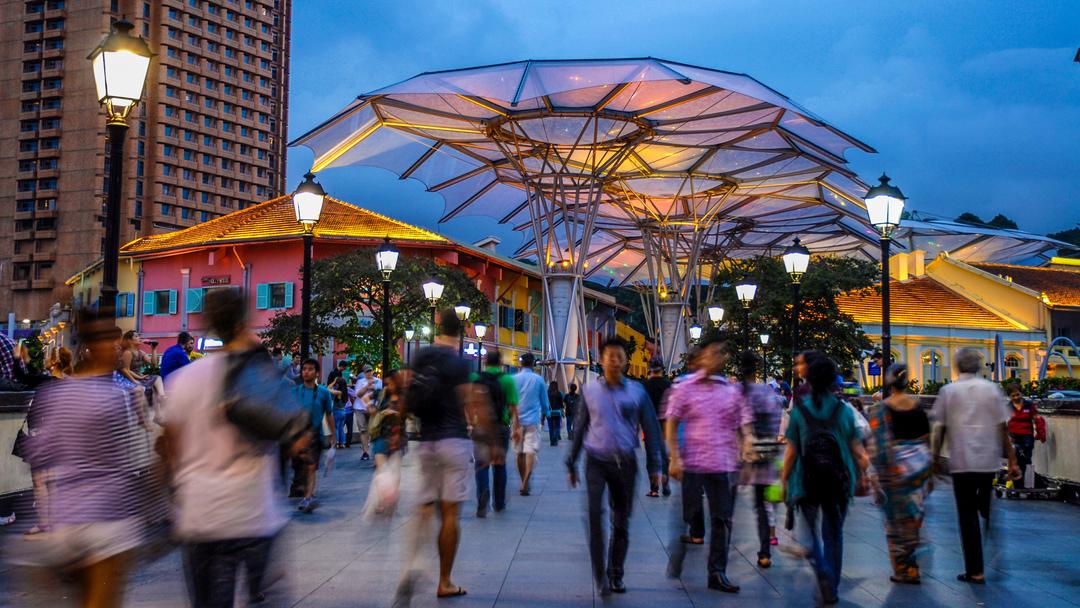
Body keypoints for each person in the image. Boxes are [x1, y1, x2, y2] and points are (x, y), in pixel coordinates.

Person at [162, 288, 309, 606]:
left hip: (201, 515)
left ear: (207, 325)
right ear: (245, 320)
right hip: (255, 513)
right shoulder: (258, 374)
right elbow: (294, 432)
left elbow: (168, 447)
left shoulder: (183, 381)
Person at [14, 312, 166, 608]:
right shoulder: (116, 396)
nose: (118, 351)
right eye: (114, 344)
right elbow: (126, 459)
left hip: (67, 517)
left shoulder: (53, 394)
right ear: (102, 347)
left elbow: (39, 454)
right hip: (109, 519)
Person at [566, 337, 662, 595]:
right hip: (595, 462)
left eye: (619, 356)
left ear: (625, 361)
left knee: (621, 521)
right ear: (601, 360)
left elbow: (651, 429)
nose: (615, 361)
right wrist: (571, 462)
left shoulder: (637, 392)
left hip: (625, 463)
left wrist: (655, 466)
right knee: (595, 518)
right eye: (610, 356)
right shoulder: (590, 391)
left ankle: (615, 572)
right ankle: (600, 575)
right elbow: (580, 427)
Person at [397, 309, 480, 600]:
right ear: (461, 331)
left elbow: (405, 393)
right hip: (454, 441)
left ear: (437, 328)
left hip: (426, 442)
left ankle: (412, 563)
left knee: (423, 506)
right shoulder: (460, 363)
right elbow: (468, 401)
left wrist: (397, 430)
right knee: (449, 514)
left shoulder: (422, 356)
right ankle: (444, 581)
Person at [665, 339, 752, 593]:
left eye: (721, 354)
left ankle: (717, 571)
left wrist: (746, 449)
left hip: (723, 464)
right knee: (690, 513)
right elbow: (672, 421)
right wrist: (674, 457)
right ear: (702, 357)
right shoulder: (685, 387)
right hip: (693, 461)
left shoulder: (731, 391)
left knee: (722, 519)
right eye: (713, 353)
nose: (717, 357)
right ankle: (679, 549)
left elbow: (742, 423)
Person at [781, 355, 869, 605]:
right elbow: (857, 450)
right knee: (834, 534)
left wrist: (784, 480)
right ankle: (832, 583)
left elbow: (791, 452)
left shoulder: (800, 411)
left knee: (811, 534)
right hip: (838, 480)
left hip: (806, 480)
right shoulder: (844, 411)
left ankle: (822, 569)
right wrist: (864, 475)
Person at [932, 348, 1020, 585]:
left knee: (966, 514)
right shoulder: (992, 389)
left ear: (958, 367)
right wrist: (1012, 460)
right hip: (987, 460)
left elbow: (941, 427)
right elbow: (1002, 427)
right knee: (984, 502)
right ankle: (987, 514)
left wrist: (933, 461)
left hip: (961, 461)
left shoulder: (949, 391)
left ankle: (975, 571)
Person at [865, 363, 932, 585]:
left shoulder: (880, 409)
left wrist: (874, 477)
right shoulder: (918, 406)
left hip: (894, 472)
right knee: (914, 517)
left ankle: (903, 567)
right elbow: (927, 440)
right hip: (919, 470)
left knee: (894, 521)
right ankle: (912, 563)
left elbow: (877, 447)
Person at [737, 350, 785, 569]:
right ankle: (765, 552)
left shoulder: (737, 392)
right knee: (762, 506)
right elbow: (777, 419)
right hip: (764, 453)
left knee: (725, 506)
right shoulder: (768, 393)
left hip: (738, 455)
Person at [472, 349, 519, 517]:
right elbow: (513, 406)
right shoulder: (507, 379)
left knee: (481, 464)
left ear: (485, 361)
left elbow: (469, 403)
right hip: (500, 426)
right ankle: (499, 502)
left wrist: (471, 422)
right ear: (500, 363)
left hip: (481, 426)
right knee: (500, 464)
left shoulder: (475, 378)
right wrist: (517, 428)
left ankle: (482, 496)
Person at [293, 358, 335, 513]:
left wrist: (333, 436)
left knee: (311, 466)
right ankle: (306, 493)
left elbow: (329, 415)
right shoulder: (295, 391)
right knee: (302, 466)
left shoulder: (323, 392)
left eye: (310, 369)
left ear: (317, 373)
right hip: (298, 436)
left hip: (315, 435)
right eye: (304, 369)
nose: (306, 372)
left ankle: (308, 496)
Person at [513, 352, 549, 496]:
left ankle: (523, 481)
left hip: (517, 421)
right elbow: (544, 402)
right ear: (533, 363)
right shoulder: (538, 380)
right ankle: (526, 481)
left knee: (519, 452)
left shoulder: (513, 379)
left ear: (521, 364)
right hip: (533, 420)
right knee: (530, 451)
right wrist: (544, 414)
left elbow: (510, 401)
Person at [642, 360, 673, 497]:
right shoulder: (668, 384)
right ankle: (666, 483)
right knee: (664, 455)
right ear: (662, 369)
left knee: (651, 456)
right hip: (665, 424)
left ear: (650, 369)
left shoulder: (645, 386)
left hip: (649, 424)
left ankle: (654, 488)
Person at [118, 330, 165, 406]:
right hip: (130, 379)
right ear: (129, 341)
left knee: (157, 378)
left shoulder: (141, 352)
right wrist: (139, 377)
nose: (139, 338)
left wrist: (153, 349)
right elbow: (126, 370)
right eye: (136, 336)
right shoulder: (128, 353)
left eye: (139, 336)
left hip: (140, 377)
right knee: (150, 387)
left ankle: (162, 396)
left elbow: (154, 364)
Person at [1006, 385, 1039, 489]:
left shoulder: (1029, 405)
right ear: (1009, 396)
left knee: (1026, 459)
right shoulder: (1008, 407)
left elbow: (1036, 419)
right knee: (1015, 459)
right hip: (1013, 435)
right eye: (1013, 396)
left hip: (1027, 436)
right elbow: (1004, 422)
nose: (1016, 397)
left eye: (1017, 394)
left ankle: (1028, 484)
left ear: (1021, 393)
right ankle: (1017, 485)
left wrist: (1039, 432)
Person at [354, 364, 382, 460]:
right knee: (363, 430)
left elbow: (380, 394)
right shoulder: (360, 382)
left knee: (373, 430)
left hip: (372, 408)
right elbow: (358, 394)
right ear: (364, 373)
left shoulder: (378, 381)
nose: (369, 373)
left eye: (370, 370)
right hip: (360, 408)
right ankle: (365, 452)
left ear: (373, 371)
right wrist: (367, 386)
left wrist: (373, 387)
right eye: (367, 371)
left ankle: (375, 451)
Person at [327, 360, 350, 449]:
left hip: (337, 410)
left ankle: (335, 443)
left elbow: (328, 387)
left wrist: (333, 382)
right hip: (343, 411)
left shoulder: (338, 393)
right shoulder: (344, 394)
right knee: (341, 428)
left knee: (336, 427)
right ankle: (342, 443)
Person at [547, 381, 564, 446]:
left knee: (551, 427)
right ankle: (555, 439)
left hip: (549, 412)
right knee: (557, 427)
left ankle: (552, 441)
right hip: (557, 412)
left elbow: (545, 403)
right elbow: (561, 404)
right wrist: (562, 410)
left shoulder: (547, 394)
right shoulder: (559, 393)